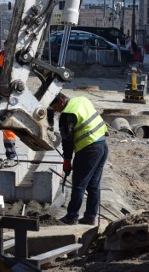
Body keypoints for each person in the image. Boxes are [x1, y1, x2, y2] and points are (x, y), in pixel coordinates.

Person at [50, 92, 109, 226]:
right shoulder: (81, 100)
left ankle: (72, 216)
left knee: (79, 184)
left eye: (54, 107)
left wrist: (67, 160)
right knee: (93, 185)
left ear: (61, 101)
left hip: (89, 149)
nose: (55, 110)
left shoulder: (67, 115)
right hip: (102, 145)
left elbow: (67, 141)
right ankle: (90, 216)